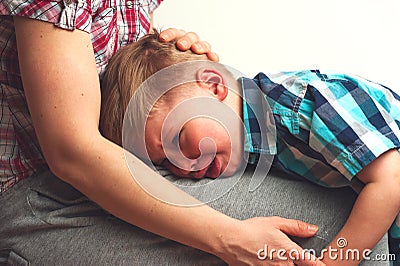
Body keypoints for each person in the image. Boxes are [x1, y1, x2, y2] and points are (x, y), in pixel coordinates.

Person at [0, 1, 346, 265]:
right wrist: (230, 239)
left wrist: (166, 56)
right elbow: (72, 153)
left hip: (119, 158)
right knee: (326, 232)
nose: (183, 165)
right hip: (39, 196)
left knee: (340, 211)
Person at [100, 31, 400, 265]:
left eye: (177, 140)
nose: (181, 167)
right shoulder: (248, 148)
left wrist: (334, 261)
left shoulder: (299, 105)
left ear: (214, 86)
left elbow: (391, 180)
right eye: (164, 163)